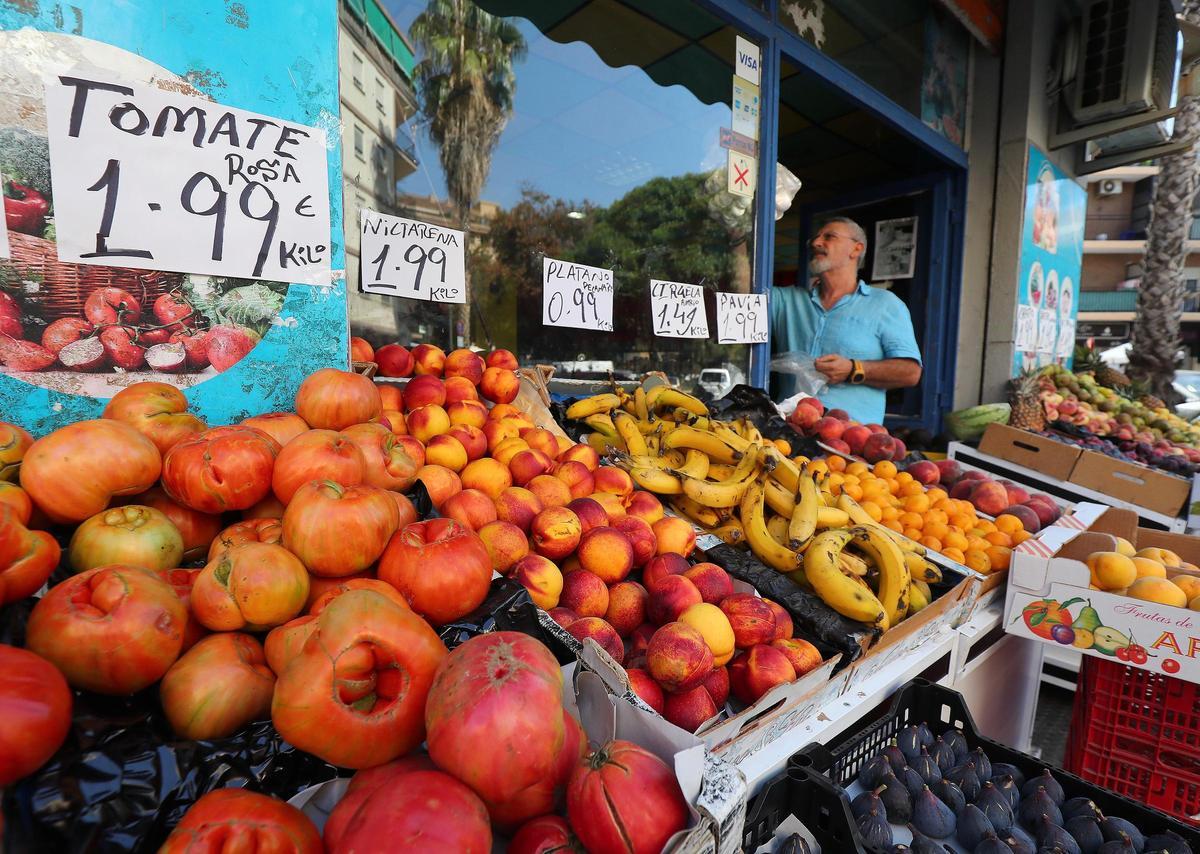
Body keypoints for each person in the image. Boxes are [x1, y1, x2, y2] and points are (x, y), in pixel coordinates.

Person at [770, 216, 922, 424]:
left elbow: (910, 373)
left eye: (829, 237)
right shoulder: (788, 300)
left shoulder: (885, 304)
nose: (816, 243)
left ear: (856, 249)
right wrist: (738, 237)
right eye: (815, 238)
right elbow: (744, 289)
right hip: (786, 434)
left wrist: (853, 369)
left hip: (848, 443)